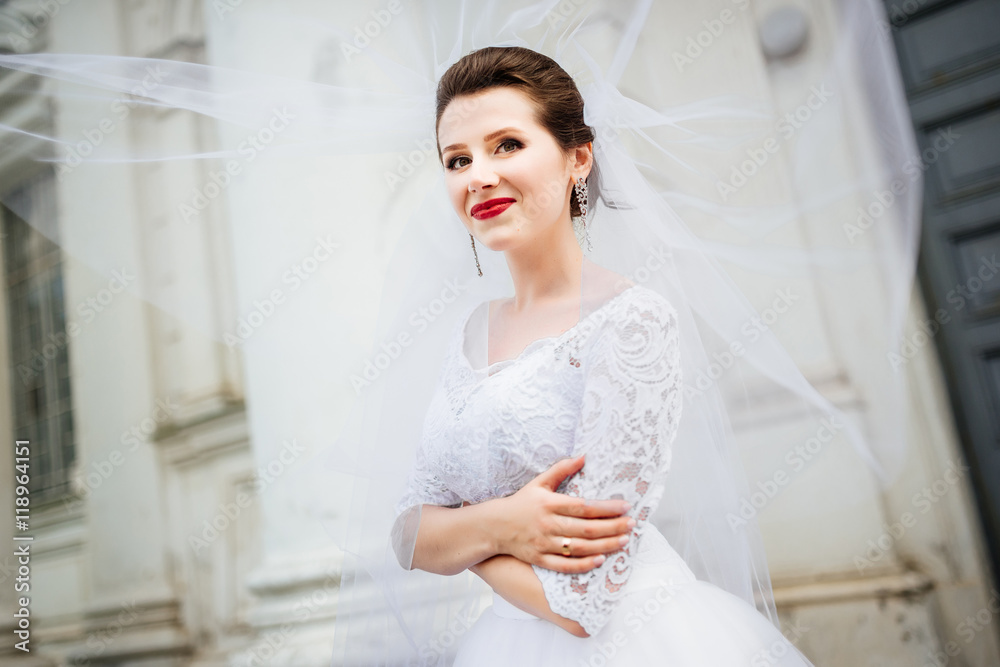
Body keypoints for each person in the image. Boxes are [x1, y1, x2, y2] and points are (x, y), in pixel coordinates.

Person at [387, 45, 815, 666]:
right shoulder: (469, 332)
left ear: (578, 158)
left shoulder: (631, 321)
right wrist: (505, 524)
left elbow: (581, 605)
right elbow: (405, 531)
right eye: (458, 159)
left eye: (507, 145)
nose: (478, 175)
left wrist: (465, 536)